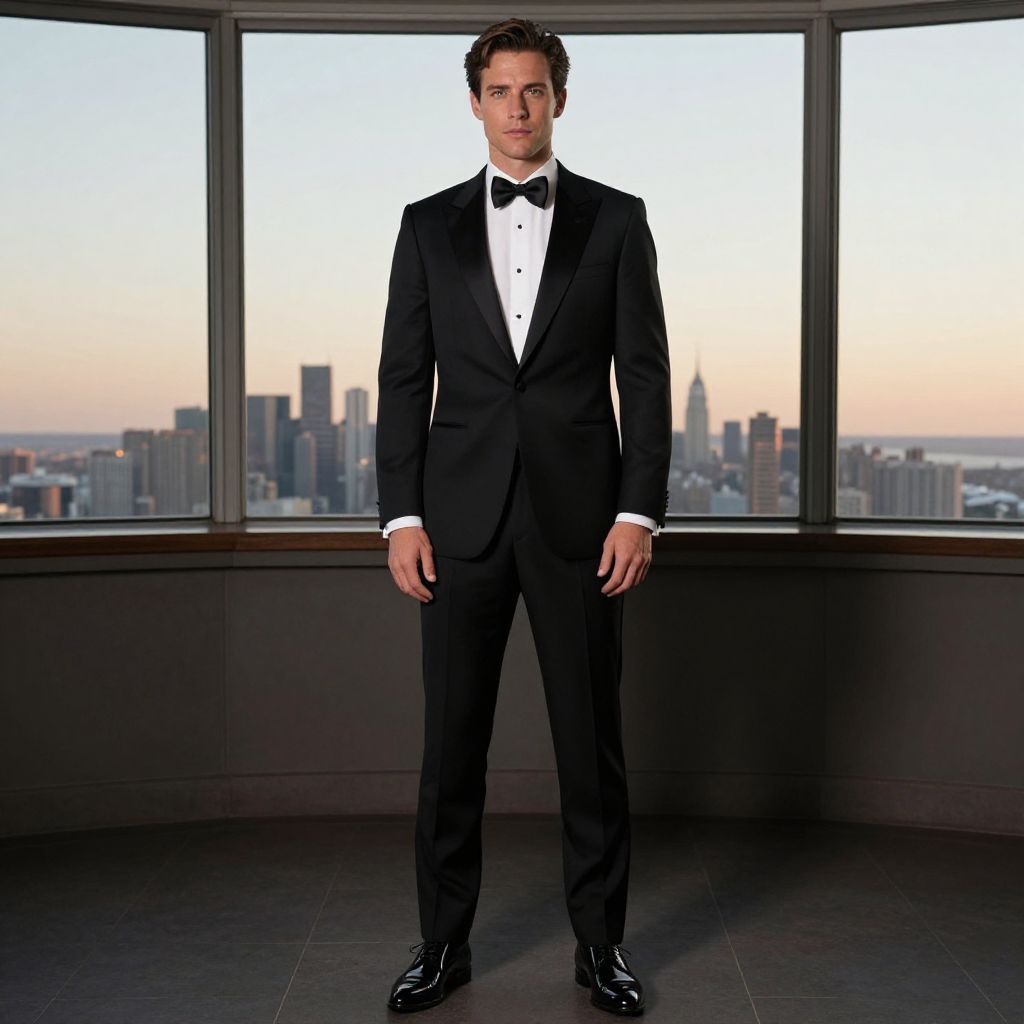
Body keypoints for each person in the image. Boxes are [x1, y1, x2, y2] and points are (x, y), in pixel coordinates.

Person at [376, 16, 671, 1016]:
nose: (516, 106)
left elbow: (645, 376)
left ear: (558, 96)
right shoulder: (424, 225)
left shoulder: (618, 220)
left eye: (533, 88)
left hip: (583, 523)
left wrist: (638, 509)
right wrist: (398, 516)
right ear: (474, 101)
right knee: (449, 747)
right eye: (499, 89)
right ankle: (441, 946)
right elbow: (401, 381)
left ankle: (600, 950)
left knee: (590, 747)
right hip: (454, 524)